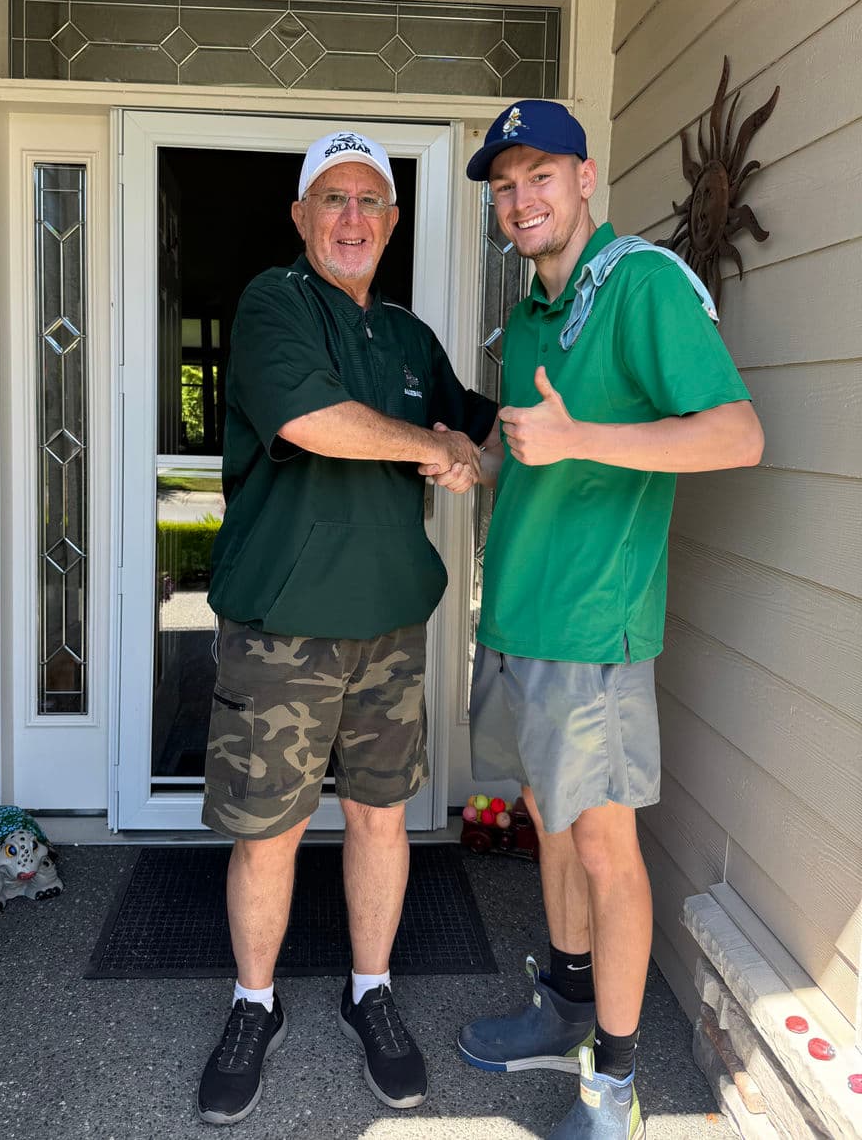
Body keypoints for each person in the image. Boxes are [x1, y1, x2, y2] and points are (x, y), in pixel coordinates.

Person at [454, 101, 763, 1138]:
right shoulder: (531, 315)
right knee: (551, 820)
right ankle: (566, 1003)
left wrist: (581, 438)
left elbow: (735, 434)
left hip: (595, 633)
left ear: (586, 178)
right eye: (504, 186)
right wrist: (483, 459)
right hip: (520, 622)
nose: (520, 199)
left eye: (540, 175)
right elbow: (541, 456)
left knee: (606, 849)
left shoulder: (640, 283)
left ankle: (616, 1084)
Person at [197, 129, 496, 1126]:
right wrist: (430, 445)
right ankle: (253, 1003)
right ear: (301, 216)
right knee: (271, 831)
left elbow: (476, 435)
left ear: (394, 220)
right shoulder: (274, 302)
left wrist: (484, 454)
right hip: (283, 627)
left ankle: (370, 988)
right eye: (334, 198)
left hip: (387, 629)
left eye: (372, 200)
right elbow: (309, 419)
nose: (354, 218)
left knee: (380, 816)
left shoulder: (408, 338)